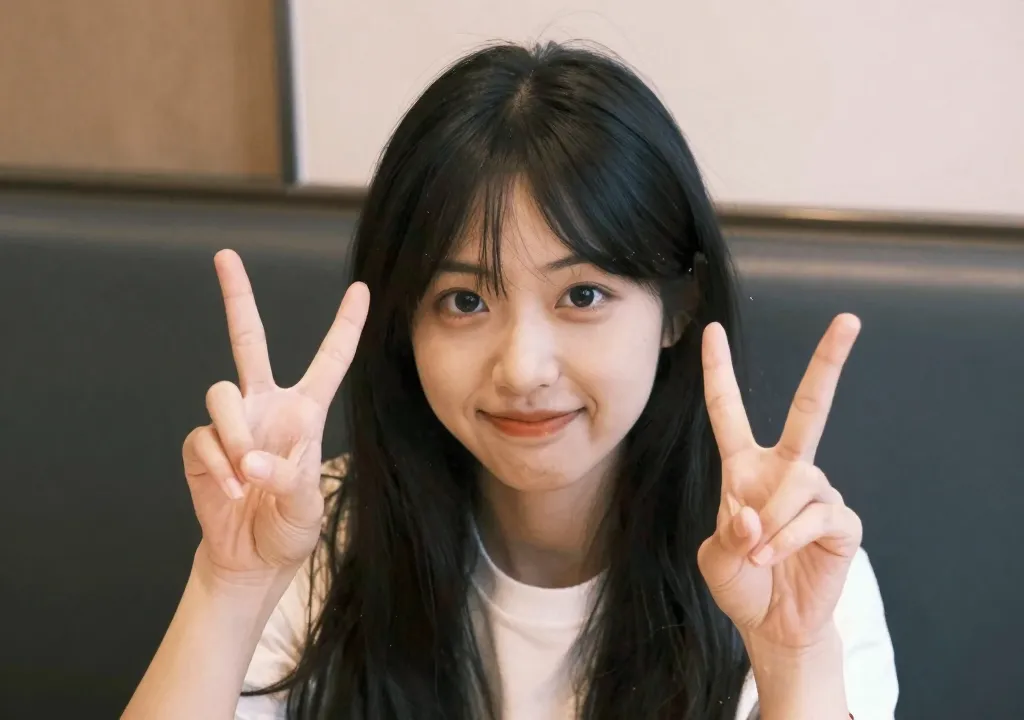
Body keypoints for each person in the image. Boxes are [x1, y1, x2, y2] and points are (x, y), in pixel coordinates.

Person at [123, 42, 897, 720]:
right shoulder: (319, 534)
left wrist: (793, 659)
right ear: (405, 322)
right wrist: (230, 586)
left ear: (677, 309)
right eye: (464, 301)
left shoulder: (791, 564)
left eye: (582, 295)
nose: (523, 368)